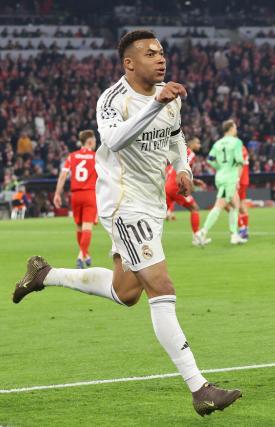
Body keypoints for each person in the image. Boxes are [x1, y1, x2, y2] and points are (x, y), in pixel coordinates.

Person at [12, 30, 242, 416]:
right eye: (151, 54)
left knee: (126, 292)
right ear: (129, 63)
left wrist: (182, 167)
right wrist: (155, 104)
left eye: (162, 52)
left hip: (151, 204)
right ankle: (199, 388)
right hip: (122, 205)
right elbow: (115, 140)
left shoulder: (168, 97)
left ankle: (44, 274)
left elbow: (175, 136)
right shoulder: (113, 99)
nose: (160, 59)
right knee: (161, 287)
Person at [195, 120, 246, 245]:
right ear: (231, 128)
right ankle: (202, 232)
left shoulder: (217, 143)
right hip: (230, 179)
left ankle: (234, 235)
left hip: (220, 176)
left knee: (235, 204)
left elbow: (210, 159)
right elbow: (240, 161)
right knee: (219, 206)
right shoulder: (237, 142)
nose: (236, 129)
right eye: (235, 127)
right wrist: (237, 178)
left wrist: (220, 168)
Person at [53, 130, 98, 268]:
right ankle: (81, 255)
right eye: (94, 141)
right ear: (90, 142)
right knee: (87, 227)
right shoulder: (96, 157)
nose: (95, 143)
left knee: (79, 227)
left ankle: (86, 254)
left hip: (75, 195)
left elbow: (62, 176)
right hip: (89, 194)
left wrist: (57, 193)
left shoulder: (72, 156)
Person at [165, 136, 210, 245]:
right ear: (192, 144)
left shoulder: (182, 152)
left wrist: (194, 181)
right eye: (198, 143)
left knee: (158, 214)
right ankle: (197, 237)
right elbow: (184, 169)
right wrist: (191, 183)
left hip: (168, 185)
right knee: (194, 208)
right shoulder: (190, 153)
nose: (199, 145)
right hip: (177, 186)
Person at [237, 143, 250, 239]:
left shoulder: (238, 148)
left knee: (231, 205)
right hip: (244, 179)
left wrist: (237, 178)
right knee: (242, 203)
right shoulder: (243, 148)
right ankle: (245, 229)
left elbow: (239, 164)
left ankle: (242, 228)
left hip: (239, 179)